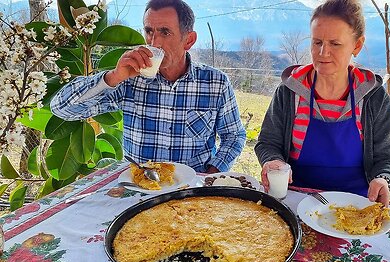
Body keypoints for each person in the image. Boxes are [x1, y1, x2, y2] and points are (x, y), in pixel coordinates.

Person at [50, 0, 246, 173]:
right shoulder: (129, 79)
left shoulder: (215, 83)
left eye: (165, 32)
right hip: (140, 187)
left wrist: (210, 174)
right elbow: (62, 109)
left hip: (191, 189)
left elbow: (234, 135)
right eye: (149, 31)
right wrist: (113, 76)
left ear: (189, 40)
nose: (154, 43)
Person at [255, 0, 390, 205]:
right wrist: (272, 161)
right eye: (317, 42)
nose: (323, 52)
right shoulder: (289, 93)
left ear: (357, 45)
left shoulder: (373, 98)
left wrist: (384, 178)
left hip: (357, 204)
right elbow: (268, 142)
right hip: (295, 200)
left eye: (335, 43)